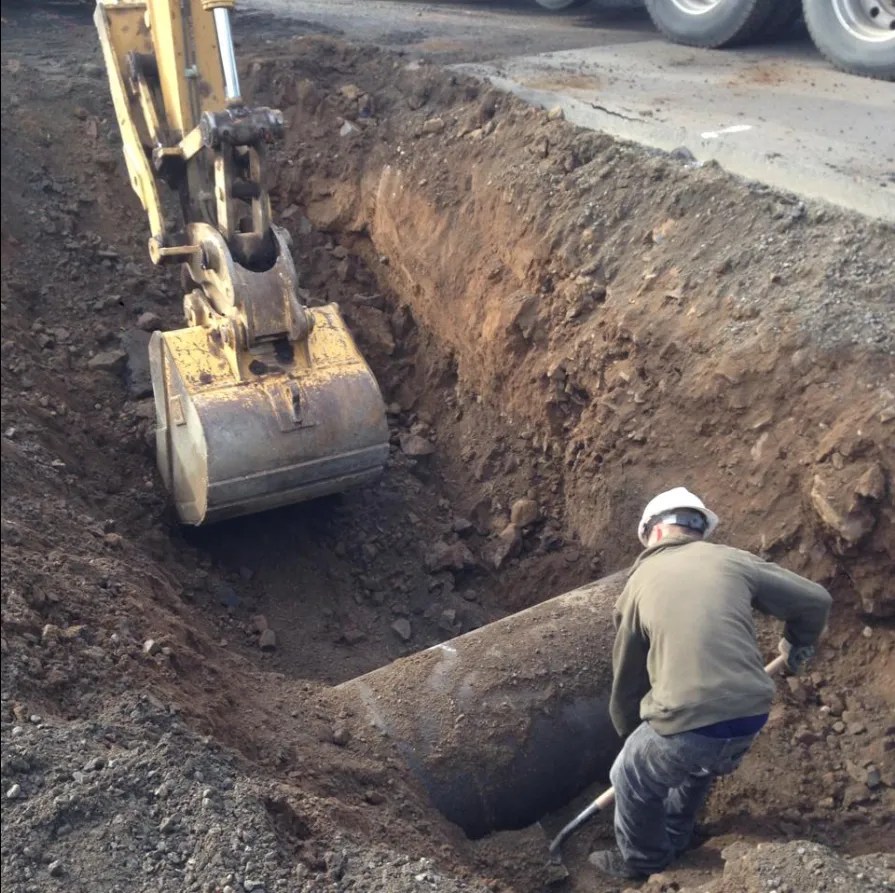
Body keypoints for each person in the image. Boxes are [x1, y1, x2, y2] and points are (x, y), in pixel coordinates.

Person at [589, 487, 833, 881]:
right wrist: (799, 644)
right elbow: (816, 600)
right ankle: (675, 834)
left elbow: (628, 680)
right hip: (750, 716)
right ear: (699, 530)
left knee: (631, 776)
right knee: (697, 764)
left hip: (690, 721)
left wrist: (632, 735)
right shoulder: (732, 560)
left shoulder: (638, 584)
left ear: (652, 533)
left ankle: (645, 864)